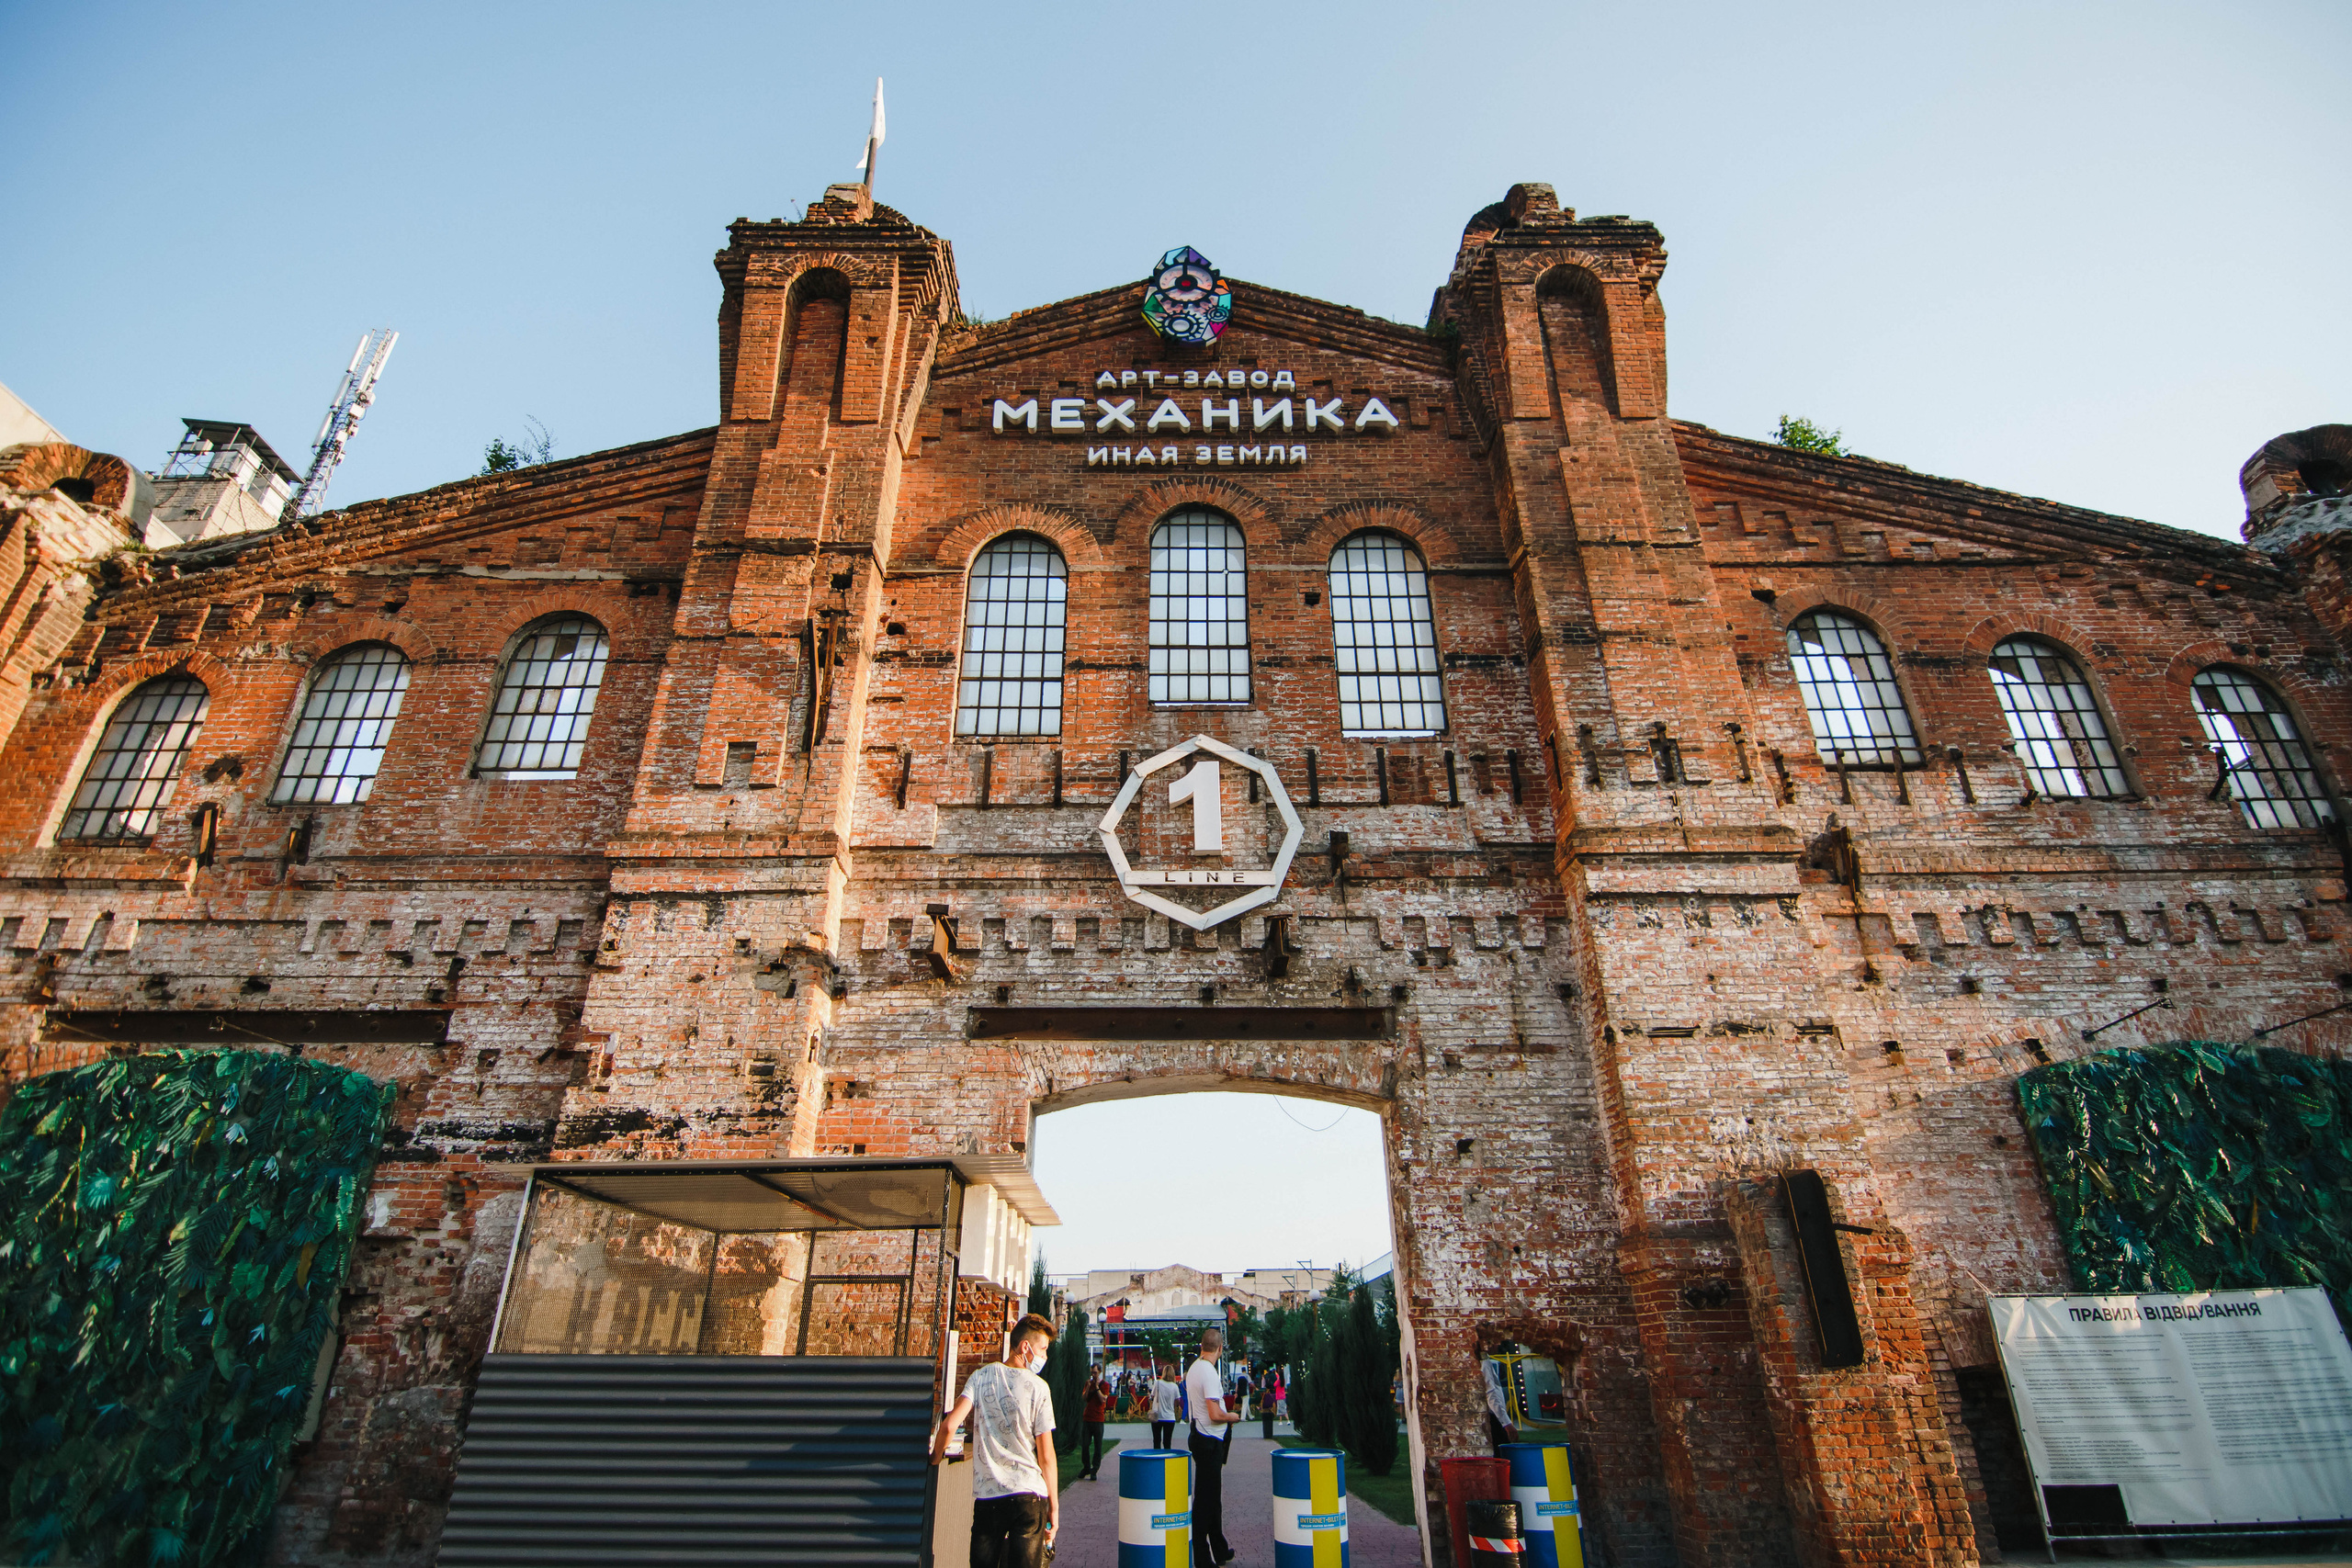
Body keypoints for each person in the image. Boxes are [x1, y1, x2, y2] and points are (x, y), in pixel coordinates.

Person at [931, 1312, 1060, 1568]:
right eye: (1043, 1349)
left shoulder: (980, 1377)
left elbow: (949, 1425)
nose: (1045, 1357)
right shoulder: (1039, 1388)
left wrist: (935, 1458)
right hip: (1028, 1496)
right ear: (1025, 1347)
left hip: (988, 1498)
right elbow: (1046, 1456)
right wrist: (1054, 1507)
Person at [1185, 1326, 1243, 1566]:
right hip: (1209, 1439)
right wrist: (1232, 1416)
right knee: (1205, 1501)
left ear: (1202, 1346)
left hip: (1202, 1437)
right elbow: (1213, 1413)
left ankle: (1219, 1548)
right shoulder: (1208, 1372)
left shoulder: (1194, 1369)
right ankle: (1201, 1556)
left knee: (1212, 1498)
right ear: (1220, 1348)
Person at [1079, 1365, 1108, 1480]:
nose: (1093, 1375)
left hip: (1098, 1419)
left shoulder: (1104, 1385)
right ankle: (1086, 1467)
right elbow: (1084, 1398)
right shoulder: (1088, 1383)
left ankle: (1094, 1470)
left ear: (1099, 1372)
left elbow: (1103, 1400)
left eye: (1095, 1373)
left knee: (1098, 1446)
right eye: (1092, 1373)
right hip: (1087, 1418)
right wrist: (1089, 1387)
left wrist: (1096, 1388)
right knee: (1085, 1445)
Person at [1149, 1359, 1180, 1451]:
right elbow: (1177, 1401)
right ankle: (1167, 1460)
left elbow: (1152, 1396)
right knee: (1167, 1442)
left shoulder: (1158, 1383)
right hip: (1169, 1417)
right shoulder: (1175, 1386)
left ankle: (1156, 1460)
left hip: (1157, 1415)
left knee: (1156, 1441)